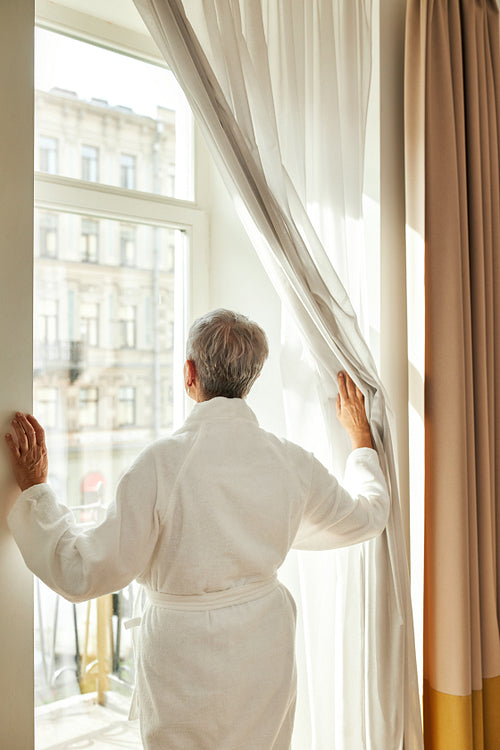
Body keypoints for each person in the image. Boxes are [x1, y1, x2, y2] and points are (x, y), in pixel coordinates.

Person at [5, 308, 389, 750]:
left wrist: (35, 491)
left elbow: (82, 572)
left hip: (182, 661)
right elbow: (367, 516)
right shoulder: (290, 461)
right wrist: (361, 444)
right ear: (252, 378)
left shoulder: (160, 464)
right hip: (265, 650)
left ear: (189, 374)